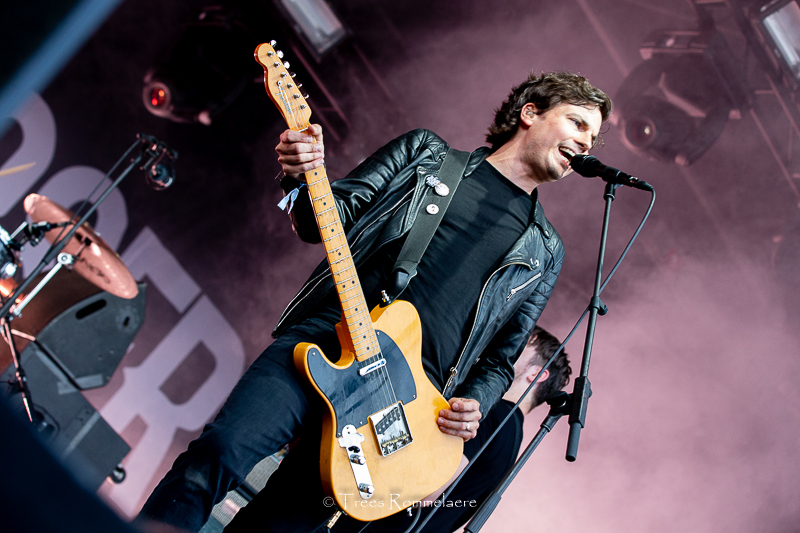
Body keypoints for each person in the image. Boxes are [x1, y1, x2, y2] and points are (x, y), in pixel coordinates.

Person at [138, 71, 611, 532]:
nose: (586, 143)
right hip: (325, 339)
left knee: (285, 523)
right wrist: (298, 177)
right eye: (577, 123)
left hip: (398, 407)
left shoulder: (545, 251)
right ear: (530, 113)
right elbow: (321, 221)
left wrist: (476, 402)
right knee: (217, 454)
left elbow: (501, 360)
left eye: (593, 137)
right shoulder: (426, 155)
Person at [221, 325, 572, 532]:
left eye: (521, 347)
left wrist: (356, 442)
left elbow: (426, 485)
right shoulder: (512, 439)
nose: (508, 350)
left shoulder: (493, 416)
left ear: (537, 374)